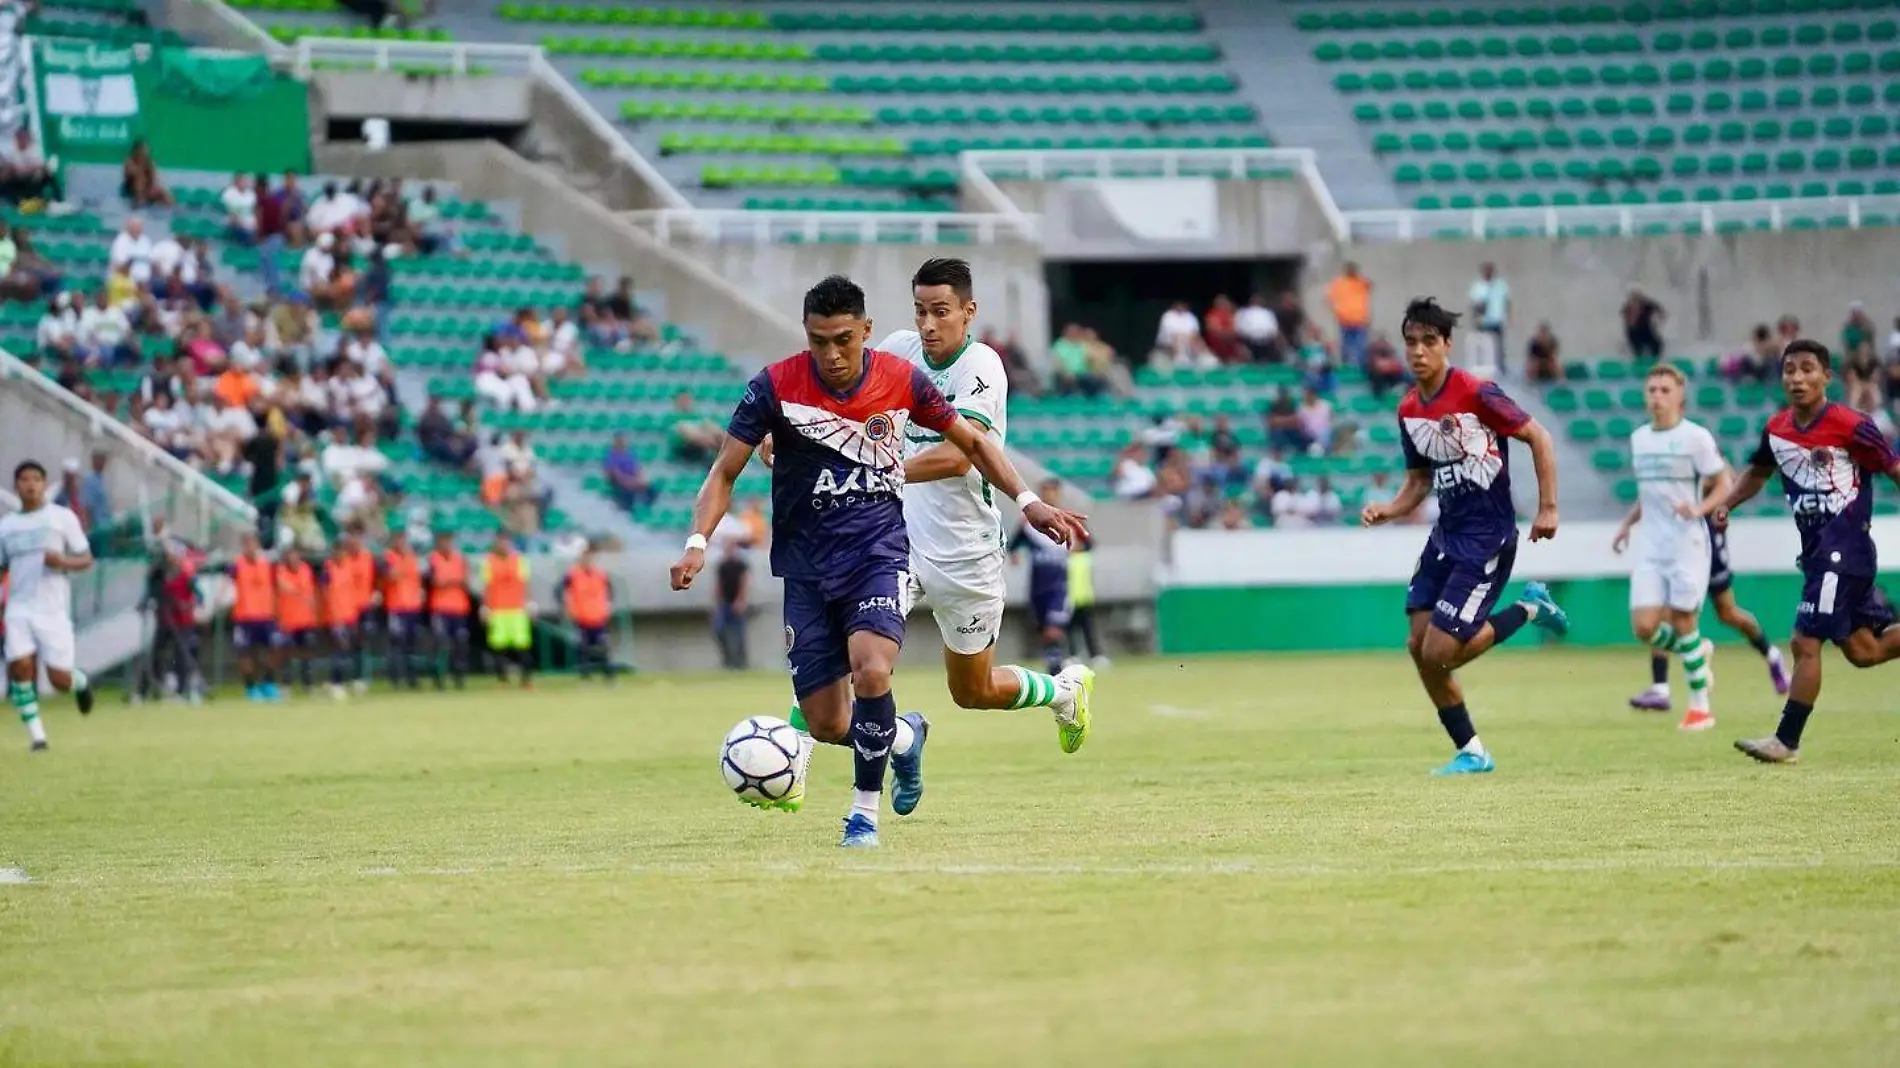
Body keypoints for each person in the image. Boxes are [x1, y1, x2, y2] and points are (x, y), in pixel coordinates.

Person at [668, 273, 1086, 849]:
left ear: (968, 312)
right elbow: (774, 441)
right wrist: (780, 449)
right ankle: (828, 767)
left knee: (972, 690)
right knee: (860, 671)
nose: (928, 323)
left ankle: (1062, 693)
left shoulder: (980, 367)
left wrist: (1029, 500)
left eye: (941, 311)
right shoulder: (878, 354)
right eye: (920, 310)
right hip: (890, 542)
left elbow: (964, 453)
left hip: (964, 551)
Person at [1361, 298, 1569, 776]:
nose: (1418, 351)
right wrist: (1389, 510)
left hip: (1486, 538)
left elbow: (1539, 436)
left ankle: (1532, 607)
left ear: (1447, 345)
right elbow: (1418, 481)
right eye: (1411, 342)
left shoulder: (1477, 392)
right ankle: (1471, 750)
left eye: (1429, 342)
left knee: (1439, 653)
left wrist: (1549, 507)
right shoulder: (1409, 409)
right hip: (1445, 536)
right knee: (1418, 646)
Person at [1711, 339, 1900, 764]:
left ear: (1826, 377)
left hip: (1845, 548)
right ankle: (1787, 740)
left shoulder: (1852, 425)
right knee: (1863, 652)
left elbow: (1893, 468)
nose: (1797, 378)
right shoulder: (1777, 429)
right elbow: (1757, 473)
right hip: (1818, 553)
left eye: (1808, 369)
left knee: (1805, 640)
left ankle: (1787, 740)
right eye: (1790, 370)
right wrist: (1727, 504)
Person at [1609, 365, 1731, 732]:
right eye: (1652, 389)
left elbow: (1724, 483)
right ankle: (1696, 651)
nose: (1657, 396)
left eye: (1664, 389)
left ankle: (1700, 708)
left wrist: (1700, 509)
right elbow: (1651, 494)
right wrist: (1627, 524)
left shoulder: (1696, 438)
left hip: (1686, 543)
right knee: (1644, 626)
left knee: (1682, 621)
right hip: (1651, 545)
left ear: (1680, 396)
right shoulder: (1639, 439)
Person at [0, 460, 97, 749]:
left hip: (53, 609)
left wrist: (62, 561)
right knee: (20, 666)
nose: (30, 485)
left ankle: (79, 682)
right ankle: (38, 737)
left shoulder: (62, 517)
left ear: (44, 484)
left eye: (36, 479)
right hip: (19, 607)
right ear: (16, 486)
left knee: (59, 680)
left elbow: (86, 558)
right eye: (24, 479)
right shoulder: (6, 526)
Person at [1010, 477, 1085, 676]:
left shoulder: (1067, 519)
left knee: (1054, 627)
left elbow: (1087, 542)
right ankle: (1056, 661)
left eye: (1052, 491)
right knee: (1045, 628)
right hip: (1038, 583)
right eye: (1044, 491)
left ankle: (1056, 666)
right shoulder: (1029, 522)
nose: (1048, 495)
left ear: (1058, 493)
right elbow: (1014, 544)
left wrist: (1078, 548)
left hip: (1059, 583)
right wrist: (1015, 554)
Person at [229, 530, 281, 702]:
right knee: (245, 653)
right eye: (246, 544)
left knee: (275, 649)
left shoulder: (268, 565)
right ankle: (251, 688)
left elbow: (277, 584)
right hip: (244, 617)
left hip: (266, 615)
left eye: (253, 543)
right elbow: (226, 585)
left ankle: (268, 684)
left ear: (258, 545)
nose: (250, 547)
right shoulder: (236, 565)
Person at [481, 530, 534, 688]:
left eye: (506, 541)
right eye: (501, 541)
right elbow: (487, 586)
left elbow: (525, 582)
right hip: (498, 609)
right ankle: (502, 680)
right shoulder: (489, 561)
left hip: (517, 609)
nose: (503, 545)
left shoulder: (519, 560)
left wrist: (529, 603)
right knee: (498, 647)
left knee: (523, 645)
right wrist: (485, 606)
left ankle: (526, 680)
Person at [560, 541, 615, 682]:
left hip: (598, 616)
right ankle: (585, 675)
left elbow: (610, 592)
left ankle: (608, 674)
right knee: (583, 648)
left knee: (603, 646)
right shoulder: (572, 574)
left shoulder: (600, 574)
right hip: (581, 617)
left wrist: (608, 606)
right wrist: (567, 607)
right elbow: (561, 591)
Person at [425, 530, 472, 690]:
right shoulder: (433, 559)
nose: (446, 544)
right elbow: (434, 582)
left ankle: (458, 677)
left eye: (448, 540)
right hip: (440, 608)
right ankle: (438, 678)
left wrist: (450, 581)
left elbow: (466, 582)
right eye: (442, 540)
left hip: (458, 608)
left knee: (460, 643)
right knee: (441, 643)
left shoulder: (460, 559)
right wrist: (453, 581)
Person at [321, 536, 367, 701]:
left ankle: (346, 681)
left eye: (342, 550)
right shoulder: (328, 569)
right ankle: (336, 683)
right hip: (335, 616)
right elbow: (325, 593)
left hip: (350, 615)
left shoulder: (349, 566)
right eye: (337, 550)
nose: (340, 554)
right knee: (340, 649)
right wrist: (331, 615)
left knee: (350, 649)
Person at [273, 542, 321, 695]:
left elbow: (311, 592)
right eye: (290, 555)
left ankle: (308, 684)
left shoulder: (306, 569)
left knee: (307, 653)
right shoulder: (280, 571)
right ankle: (286, 685)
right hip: (288, 620)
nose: (293, 558)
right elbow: (285, 587)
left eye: (295, 554)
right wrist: (300, 593)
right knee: (286, 654)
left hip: (306, 619)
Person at [379, 535, 426, 691]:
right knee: (397, 643)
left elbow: (417, 580)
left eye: (402, 539)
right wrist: (400, 563)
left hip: (412, 606)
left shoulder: (412, 558)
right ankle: (395, 678)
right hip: (396, 607)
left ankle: (412, 678)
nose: (400, 542)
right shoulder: (388, 557)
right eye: (397, 539)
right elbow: (389, 576)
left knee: (412, 643)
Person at [712, 530, 751, 670]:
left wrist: (741, 600)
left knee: (739, 634)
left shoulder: (740, 564)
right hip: (725, 603)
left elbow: (744, 583)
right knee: (719, 630)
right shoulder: (722, 565)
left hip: (736, 603)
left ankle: (741, 663)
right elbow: (718, 585)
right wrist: (717, 602)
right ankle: (728, 661)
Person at [1326, 264, 1372, 370]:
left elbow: (1370, 285)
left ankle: (1360, 365)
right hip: (1345, 319)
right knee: (1346, 344)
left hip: (1360, 319)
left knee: (1360, 345)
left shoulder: (1361, 282)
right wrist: (1337, 311)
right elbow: (1329, 298)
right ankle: (1346, 364)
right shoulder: (1339, 283)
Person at [1465, 263, 1509, 375]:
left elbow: (1507, 302)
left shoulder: (1500, 285)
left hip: (1497, 320)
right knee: (1484, 346)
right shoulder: (1478, 287)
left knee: (1499, 346)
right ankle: (1482, 368)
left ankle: (1501, 368)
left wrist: (1507, 316)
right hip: (1483, 322)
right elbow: (1474, 305)